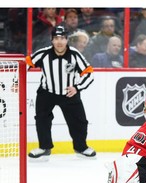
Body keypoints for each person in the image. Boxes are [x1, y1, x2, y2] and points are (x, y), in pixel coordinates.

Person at [26, 25, 96, 160]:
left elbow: (89, 74)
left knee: (80, 121)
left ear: (67, 40)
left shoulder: (75, 54)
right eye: (56, 38)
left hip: (69, 94)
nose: (59, 41)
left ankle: (81, 147)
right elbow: (26, 65)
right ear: (52, 40)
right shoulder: (43, 53)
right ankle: (44, 147)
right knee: (42, 120)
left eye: (62, 38)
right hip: (47, 93)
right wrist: (16, 83)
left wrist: (77, 87)